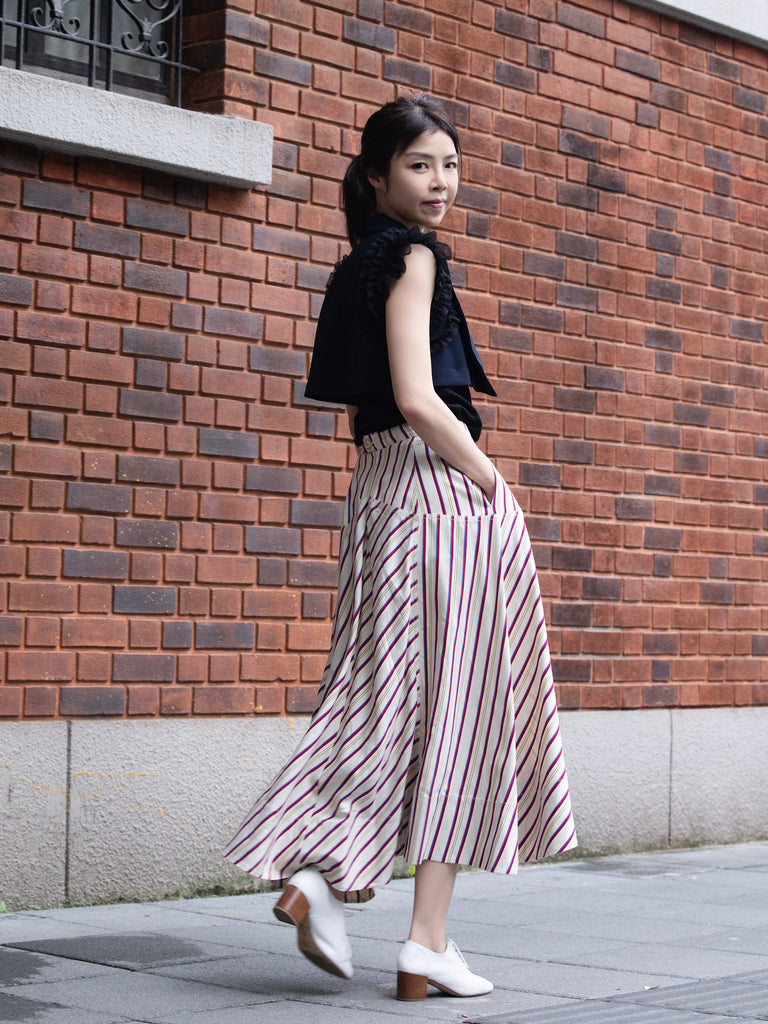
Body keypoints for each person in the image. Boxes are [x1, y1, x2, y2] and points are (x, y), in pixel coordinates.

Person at [224, 94, 576, 1001]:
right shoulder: (415, 257)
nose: (441, 182)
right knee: (457, 710)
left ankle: (327, 877)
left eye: (450, 165)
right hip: (438, 488)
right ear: (377, 177)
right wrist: (490, 480)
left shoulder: (357, 265)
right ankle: (419, 938)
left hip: (380, 493)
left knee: (379, 695)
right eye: (421, 165)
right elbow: (420, 398)